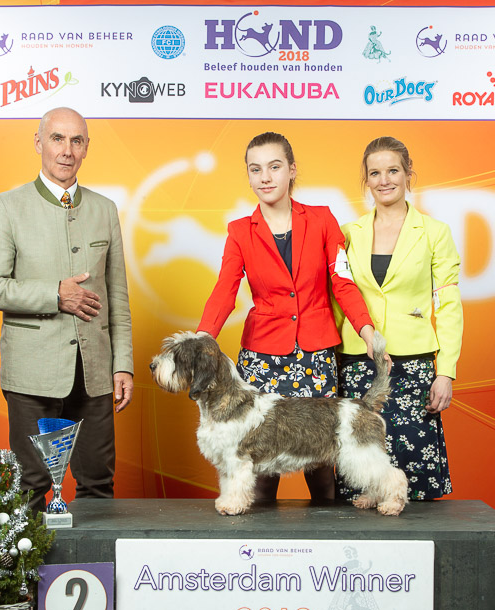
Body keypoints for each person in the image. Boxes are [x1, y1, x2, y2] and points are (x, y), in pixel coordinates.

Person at [198, 131, 379, 501]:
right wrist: (203, 337)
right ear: (248, 175)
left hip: (315, 353)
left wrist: (366, 329)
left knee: (322, 457)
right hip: (262, 356)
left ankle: (329, 531)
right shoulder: (239, 231)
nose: (265, 177)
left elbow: (342, 282)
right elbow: (225, 289)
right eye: (256, 169)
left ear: (292, 170)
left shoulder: (323, 219)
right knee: (260, 458)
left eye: (274, 167)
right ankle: (259, 535)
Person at [0, 107, 134, 512]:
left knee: (98, 484)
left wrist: (123, 365)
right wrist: (54, 295)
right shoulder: (7, 206)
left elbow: (117, 296)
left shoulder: (104, 209)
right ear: (38, 143)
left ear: (86, 148)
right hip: (32, 371)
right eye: (57, 138)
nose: (67, 150)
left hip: (94, 373)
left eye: (76, 141)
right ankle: (29, 558)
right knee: (30, 486)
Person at [335, 136, 463, 501]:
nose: (384, 180)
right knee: (359, 465)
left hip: (414, 365)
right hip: (358, 361)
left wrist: (446, 372)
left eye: (393, 170)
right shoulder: (348, 234)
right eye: (375, 173)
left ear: (408, 174)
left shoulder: (435, 232)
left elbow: (449, 306)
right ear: (366, 180)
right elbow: (337, 298)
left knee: (412, 469)